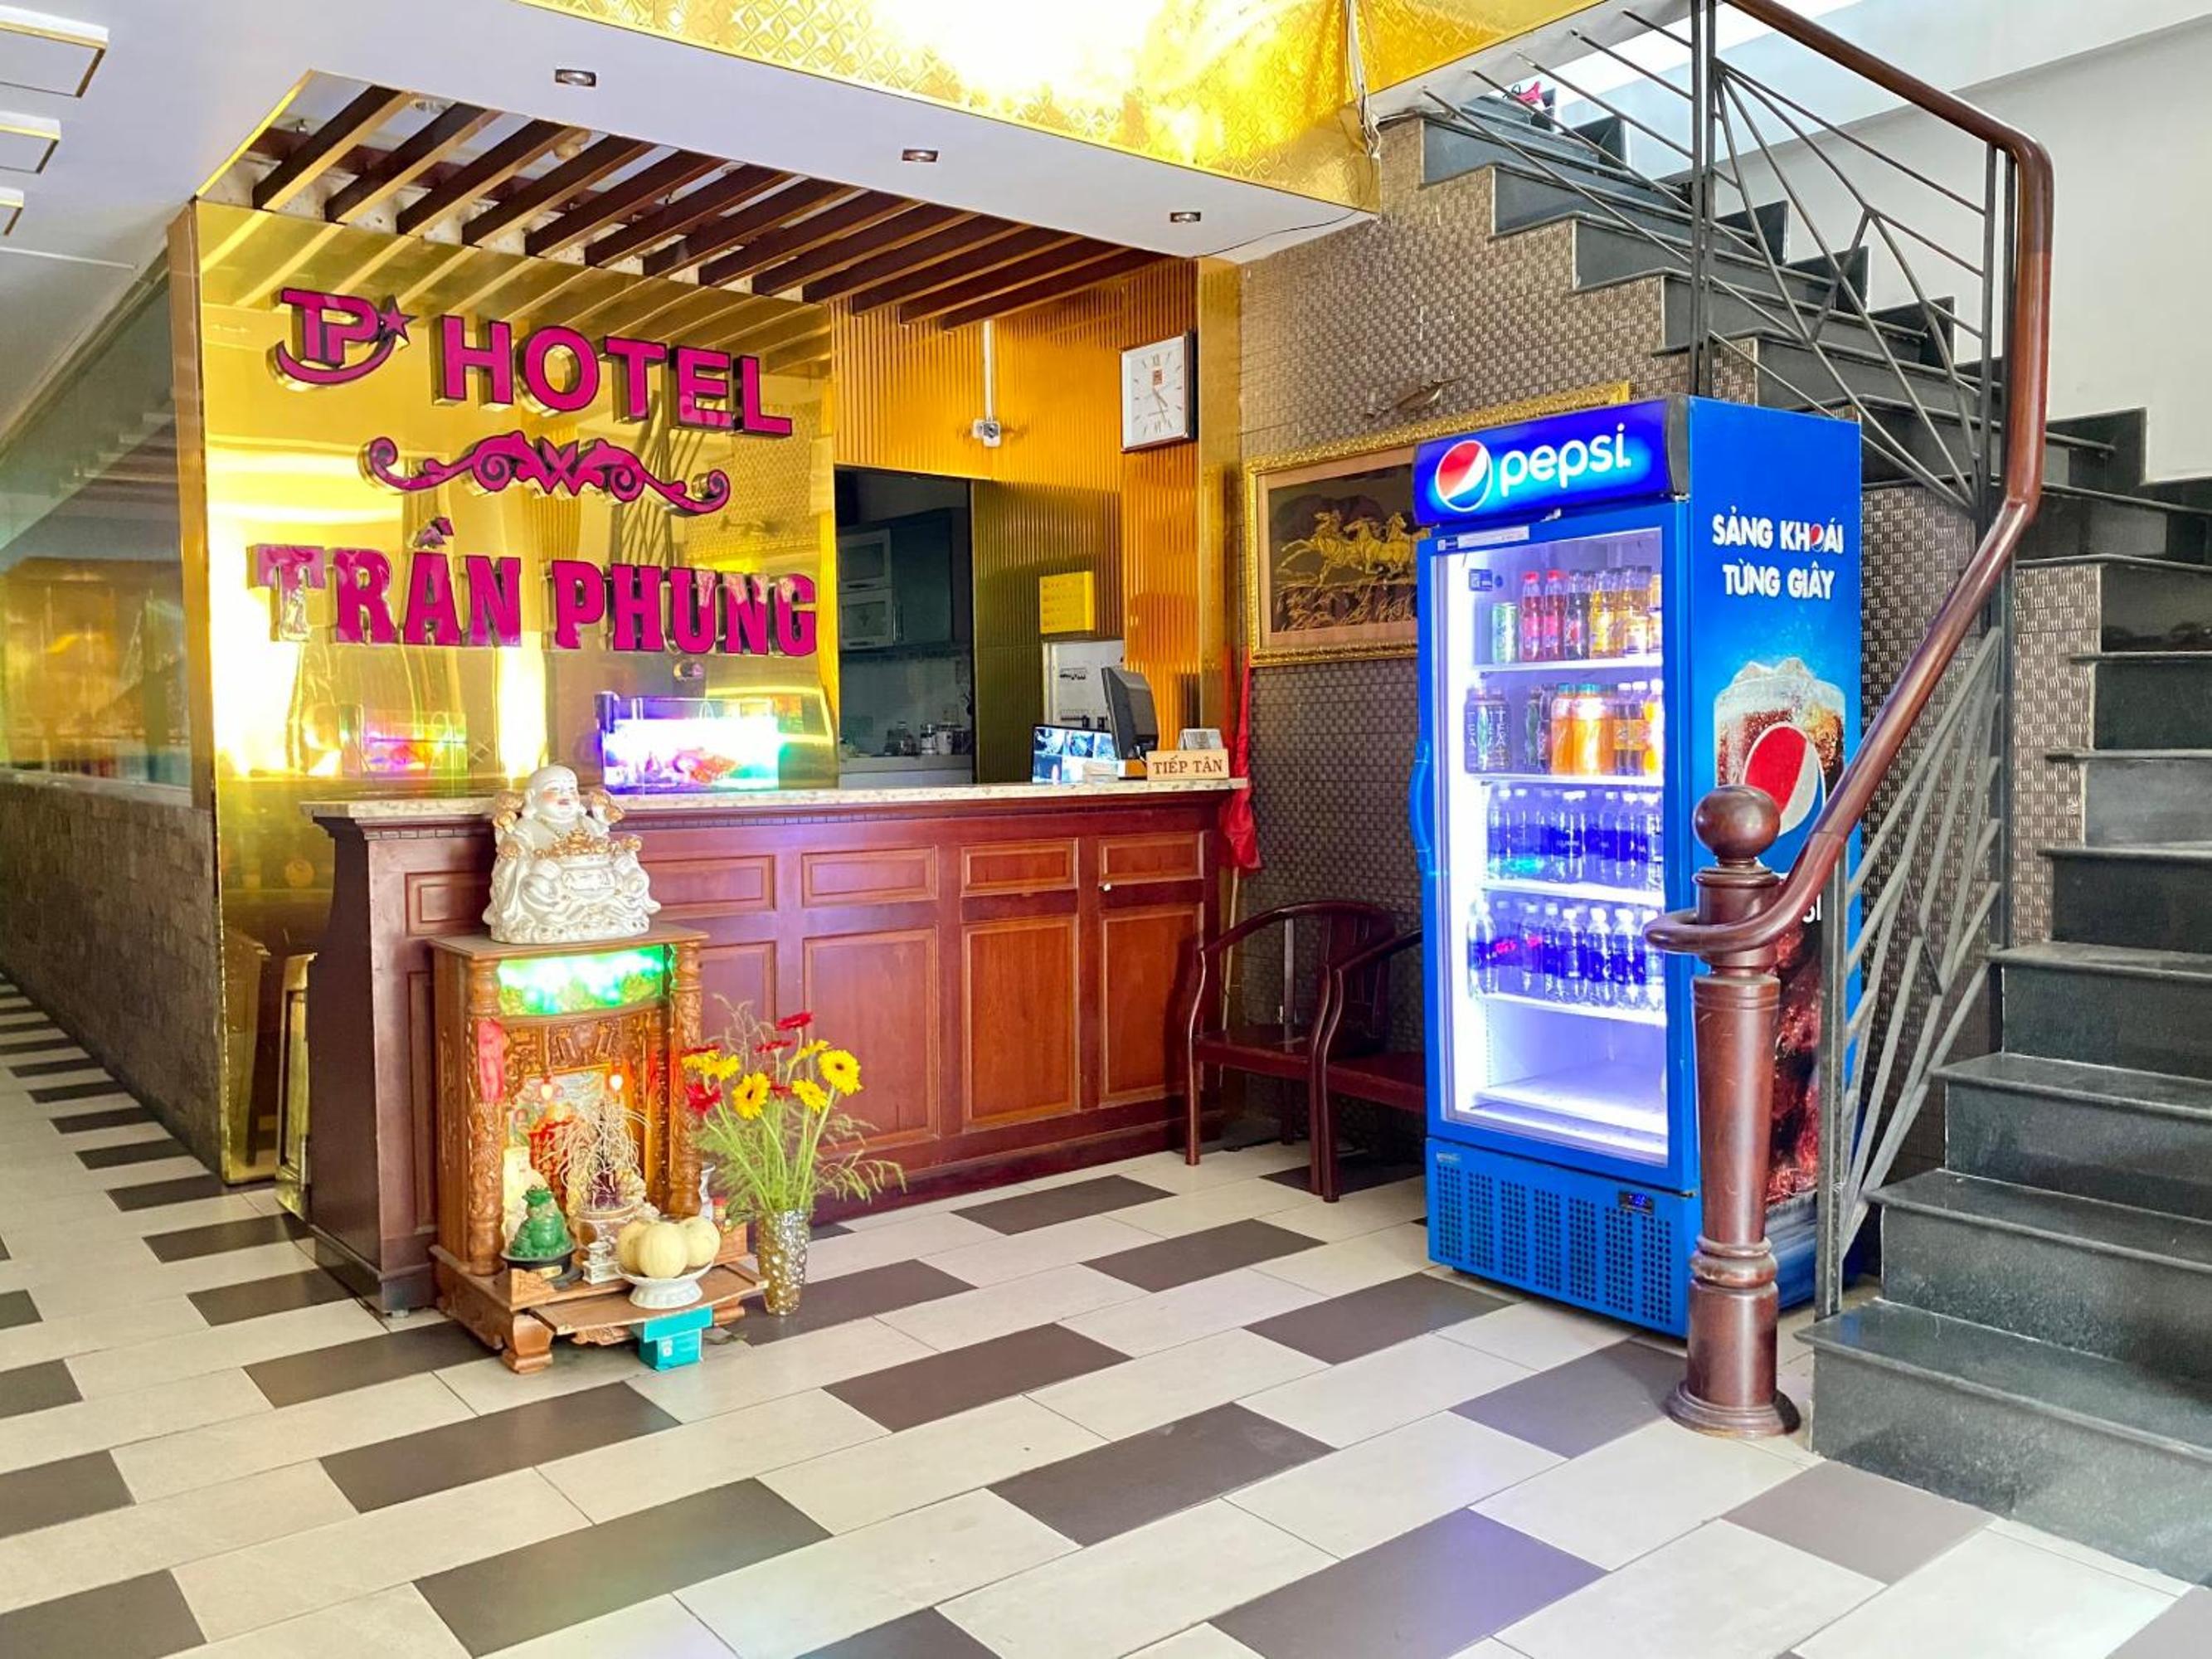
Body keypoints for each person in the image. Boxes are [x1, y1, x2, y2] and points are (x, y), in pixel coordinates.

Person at [484, 763, 659, 942]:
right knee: (533, 886)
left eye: (571, 789)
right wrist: (532, 864)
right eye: (554, 789)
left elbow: (605, 845)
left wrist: (622, 857)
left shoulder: (588, 823)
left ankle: (621, 913)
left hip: (602, 882)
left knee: (636, 876)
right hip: (560, 889)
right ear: (531, 796)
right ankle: (553, 920)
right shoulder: (527, 826)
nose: (565, 795)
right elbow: (514, 855)